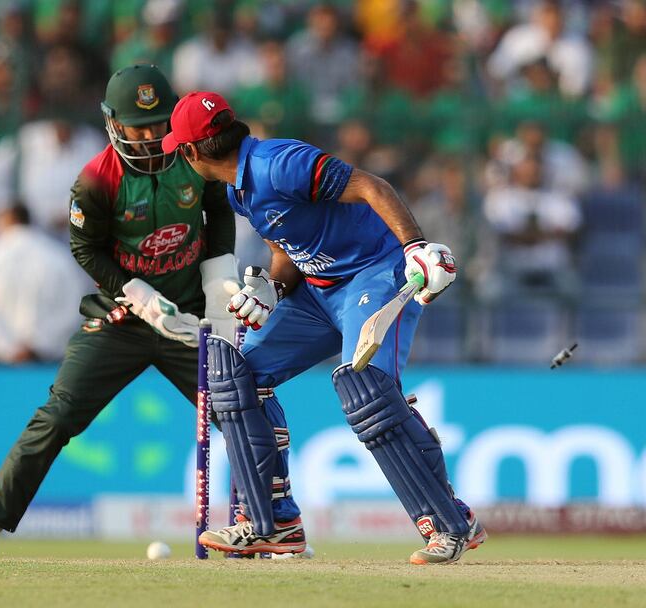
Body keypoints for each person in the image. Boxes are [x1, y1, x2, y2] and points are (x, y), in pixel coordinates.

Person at [161, 91, 487, 565]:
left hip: (374, 274)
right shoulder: (239, 188)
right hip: (316, 290)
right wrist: (271, 287)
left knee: (366, 388)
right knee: (235, 374)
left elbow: (372, 187)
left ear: (191, 151)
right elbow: (288, 248)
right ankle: (273, 525)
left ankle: (450, 524)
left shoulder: (279, 164)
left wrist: (415, 245)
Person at [0, 65, 238, 558]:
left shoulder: (192, 160)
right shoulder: (95, 181)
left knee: (244, 412)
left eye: (158, 125)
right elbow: (86, 250)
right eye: (136, 127)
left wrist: (218, 281)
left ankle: (272, 529)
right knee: (58, 417)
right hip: (122, 319)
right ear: (112, 123)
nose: (148, 137)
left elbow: (221, 211)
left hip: (190, 321)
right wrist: (139, 293)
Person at [0, 204, 88, 363]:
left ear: (3, 221)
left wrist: (7, 347)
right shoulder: (58, 256)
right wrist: (39, 344)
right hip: (47, 361)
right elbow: (74, 306)